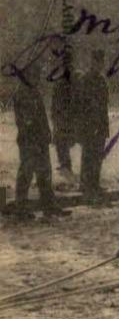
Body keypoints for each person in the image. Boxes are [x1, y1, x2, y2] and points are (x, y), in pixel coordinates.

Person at [11, 56, 64, 220]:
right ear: (26, 75)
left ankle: (49, 206)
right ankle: (21, 208)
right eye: (35, 74)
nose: (38, 78)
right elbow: (25, 121)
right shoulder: (21, 93)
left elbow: (42, 116)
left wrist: (47, 133)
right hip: (29, 140)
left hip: (40, 140)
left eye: (38, 74)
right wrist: (34, 138)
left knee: (45, 173)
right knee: (26, 174)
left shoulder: (35, 92)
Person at [73, 48, 109, 202]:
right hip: (88, 124)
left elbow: (104, 103)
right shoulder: (86, 80)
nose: (99, 65)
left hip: (100, 123)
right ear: (92, 62)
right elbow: (80, 104)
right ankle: (85, 184)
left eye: (101, 62)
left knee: (98, 155)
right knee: (88, 155)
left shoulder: (101, 80)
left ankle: (94, 183)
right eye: (97, 62)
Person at [50, 47, 73, 176]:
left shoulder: (70, 79)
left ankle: (66, 165)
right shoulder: (60, 81)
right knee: (61, 141)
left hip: (66, 116)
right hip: (61, 116)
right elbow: (55, 100)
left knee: (63, 141)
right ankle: (65, 164)